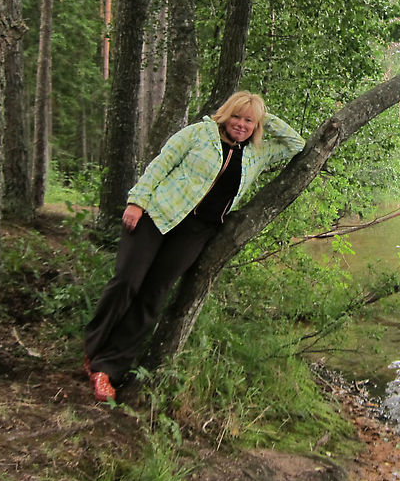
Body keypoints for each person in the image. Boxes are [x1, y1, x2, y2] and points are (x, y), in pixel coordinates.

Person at [83, 91, 305, 402]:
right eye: (237, 116)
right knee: (126, 282)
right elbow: (160, 166)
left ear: (256, 126)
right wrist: (136, 202)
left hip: (196, 233)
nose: (241, 124)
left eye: (249, 120)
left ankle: (108, 369)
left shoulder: (258, 153)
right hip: (157, 214)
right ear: (225, 115)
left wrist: (263, 115)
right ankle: (93, 350)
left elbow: (297, 145)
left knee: (152, 297)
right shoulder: (198, 134)